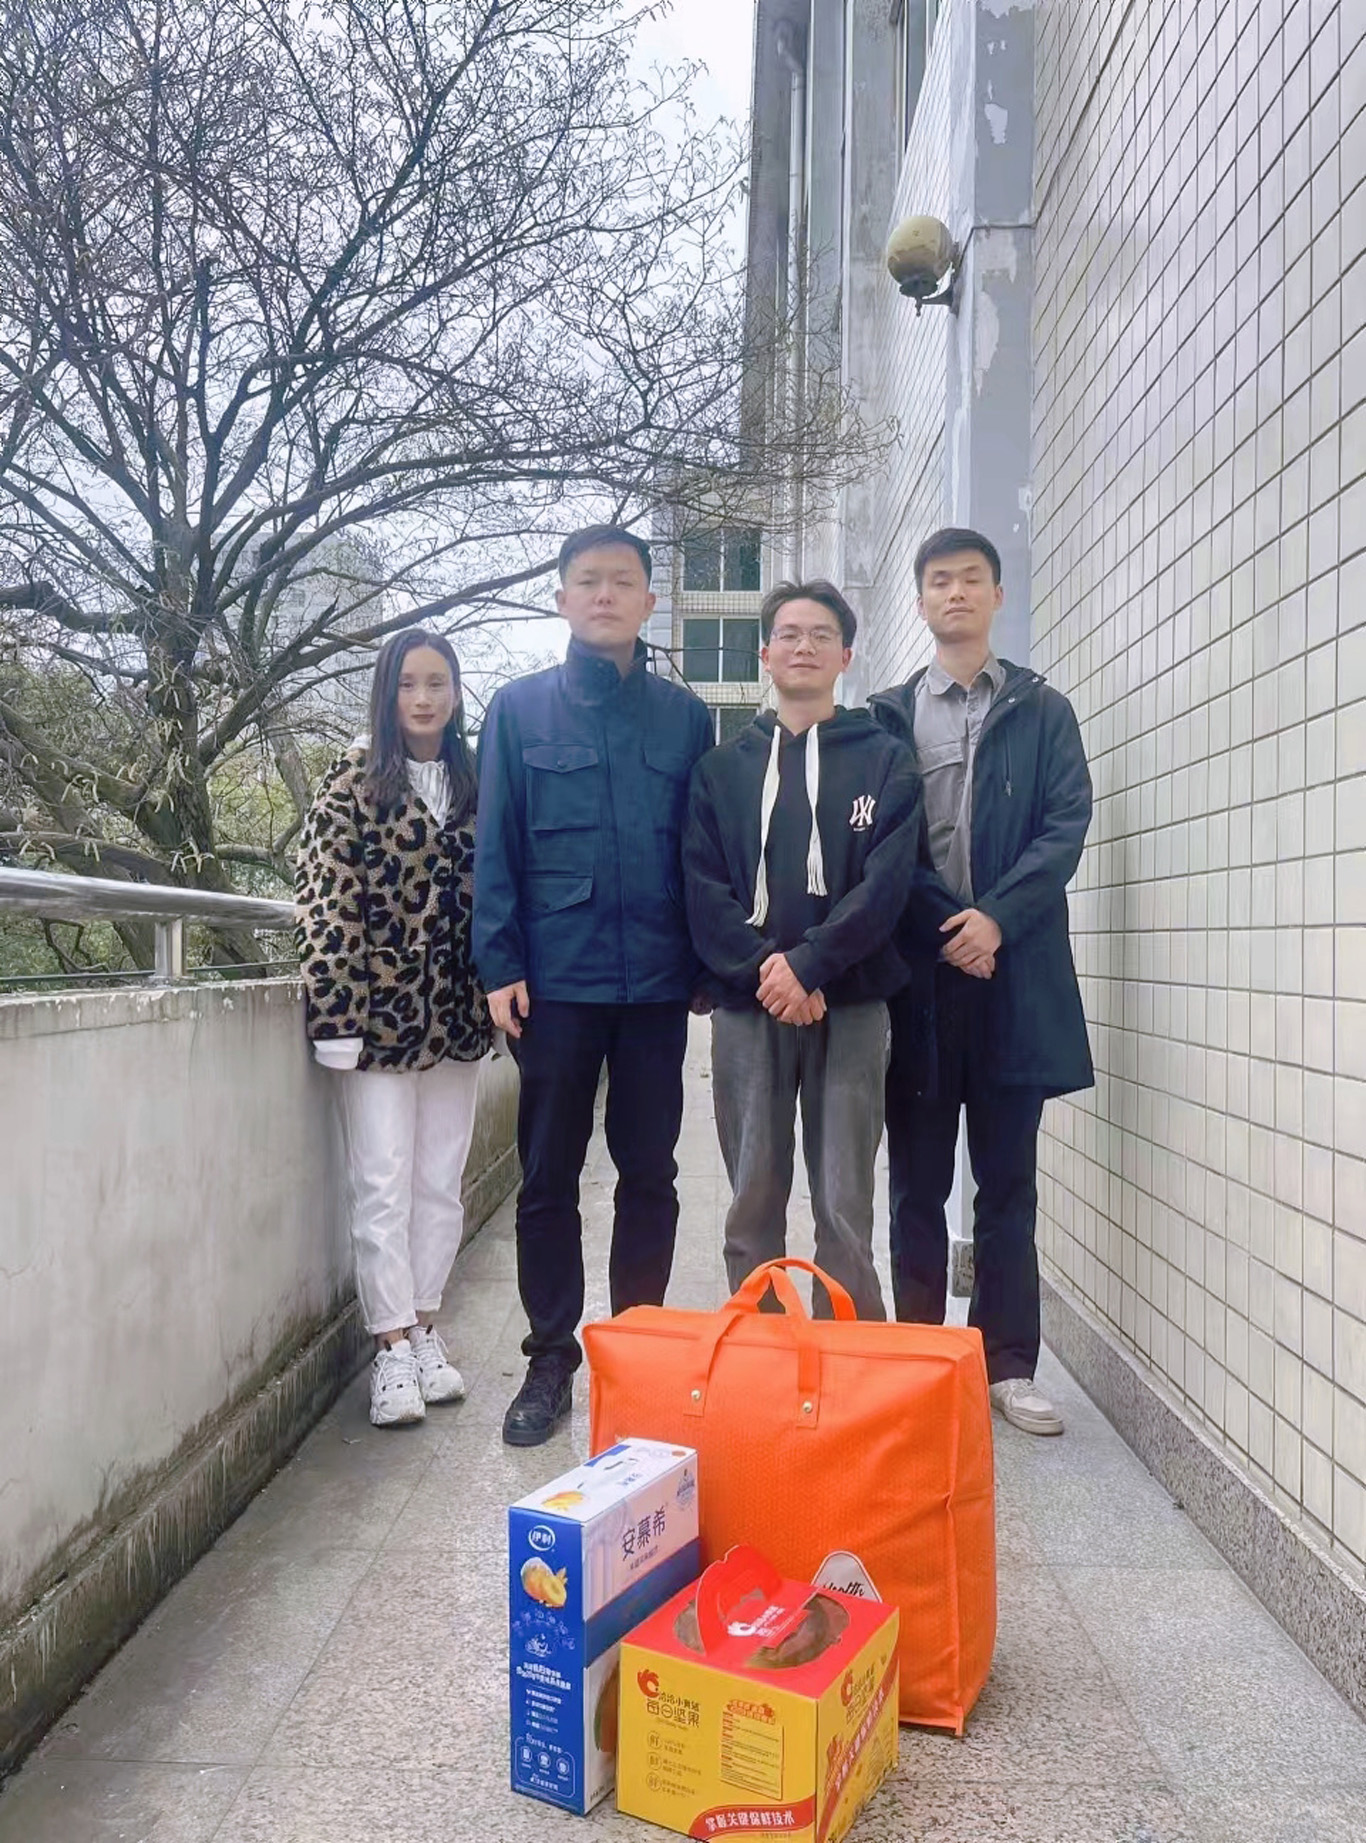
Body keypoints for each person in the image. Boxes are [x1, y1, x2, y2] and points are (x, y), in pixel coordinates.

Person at [473, 525, 713, 1446]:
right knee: (548, 1175)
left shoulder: (684, 719)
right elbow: (496, 847)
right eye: (587, 581)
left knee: (650, 1173)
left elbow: (702, 854)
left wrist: (703, 963)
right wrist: (500, 963)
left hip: (655, 983)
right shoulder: (519, 710)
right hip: (556, 982)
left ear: (650, 600)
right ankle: (550, 1360)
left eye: (622, 581)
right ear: (562, 598)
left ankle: (638, 1352)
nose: (604, 595)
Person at [869, 527, 1093, 1435]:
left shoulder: (1043, 709)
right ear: (921, 600)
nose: (955, 593)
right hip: (921, 981)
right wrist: (949, 925)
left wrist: (996, 918)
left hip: (1013, 977)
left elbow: (1064, 826)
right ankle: (923, 1363)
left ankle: (1007, 1365)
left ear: (998, 595)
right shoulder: (888, 717)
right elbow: (885, 845)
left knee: (1007, 1185)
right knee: (916, 1184)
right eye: (939, 581)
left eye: (971, 579)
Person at [683, 580, 924, 1319]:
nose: (805, 646)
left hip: (851, 1004)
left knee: (845, 1202)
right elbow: (702, 888)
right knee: (752, 1195)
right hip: (749, 1005)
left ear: (846, 655)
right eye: (789, 634)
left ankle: (847, 1357)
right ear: (765, 653)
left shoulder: (885, 759)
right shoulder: (722, 769)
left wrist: (813, 965)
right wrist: (772, 971)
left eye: (822, 635)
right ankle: (761, 1350)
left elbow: (887, 885)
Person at [296, 629, 492, 1428]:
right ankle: (390, 1346)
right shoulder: (350, 783)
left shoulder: (476, 786)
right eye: (408, 682)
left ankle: (425, 1327)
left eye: (437, 682)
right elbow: (325, 905)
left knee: (439, 1180)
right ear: (388, 692)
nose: (423, 697)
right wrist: (336, 1016)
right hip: (377, 1023)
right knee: (382, 1181)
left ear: (455, 692)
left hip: (458, 1017)